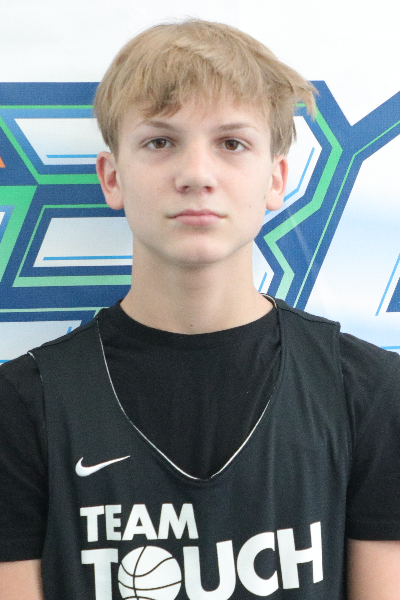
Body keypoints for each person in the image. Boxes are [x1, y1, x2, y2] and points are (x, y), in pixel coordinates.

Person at [0, 18, 399, 600]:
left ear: (276, 180)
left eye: (231, 143)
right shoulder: (21, 406)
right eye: (160, 142)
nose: (196, 175)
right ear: (113, 178)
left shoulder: (369, 391)